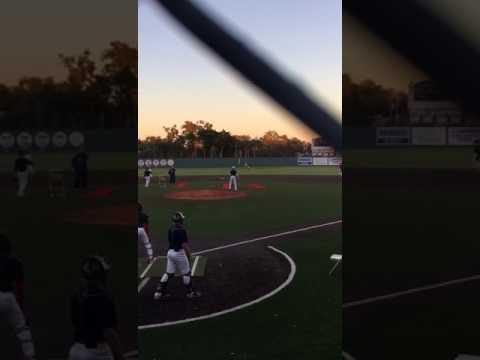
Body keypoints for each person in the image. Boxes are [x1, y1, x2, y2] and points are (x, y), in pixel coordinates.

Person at [68, 255, 125, 360]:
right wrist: (120, 357)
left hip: (76, 350)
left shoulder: (77, 296)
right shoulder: (103, 298)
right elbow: (109, 332)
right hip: (97, 352)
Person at [0, 234, 36, 360]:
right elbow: (20, 288)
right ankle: (30, 356)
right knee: (22, 328)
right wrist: (20, 306)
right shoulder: (16, 263)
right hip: (9, 298)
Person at [154, 212, 201, 300]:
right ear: (181, 221)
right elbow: (184, 245)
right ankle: (191, 293)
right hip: (179, 254)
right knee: (186, 273)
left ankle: (159, 292)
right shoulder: (181, 230)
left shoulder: (170, 228)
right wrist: (189, 255)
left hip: (170, 253)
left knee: (169, 273)